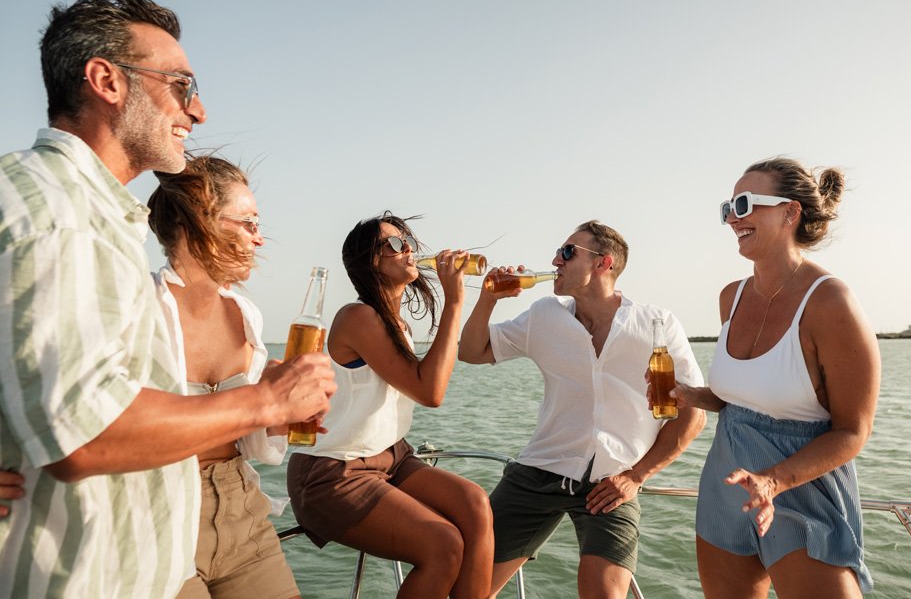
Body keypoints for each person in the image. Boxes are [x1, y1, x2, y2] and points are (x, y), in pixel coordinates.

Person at [0, 0, 335, 598]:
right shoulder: (60, 215)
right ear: (106, 81)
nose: (199, 111)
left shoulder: (92, 218)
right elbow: (84, 434)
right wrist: (266, 400)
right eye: (182, 85)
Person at [459, 220, 706, 599]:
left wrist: (637, 476)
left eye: (568, 252)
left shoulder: (657, 324)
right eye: (559, 251)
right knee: (467, 590)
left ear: (603, 263)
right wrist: (488, 299)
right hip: (539, 471)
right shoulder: (544, 315)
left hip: (613, 482)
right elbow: (471, 352)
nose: (555, 260)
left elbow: (694, 414)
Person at [672, 157, 880, 597]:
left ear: (790, 212)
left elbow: (853, 431)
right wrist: (696, 396)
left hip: (798, 490)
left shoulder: (830, 302)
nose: (734, 217)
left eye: (746, 204)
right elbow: (750, 398)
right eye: (728, 207)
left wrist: (774, 481)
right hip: (725, 484)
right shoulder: (732, 297)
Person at [287, 212, 494, 599]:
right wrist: (455, 300)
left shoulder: (400, 326)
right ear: (370, 261)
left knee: (475, 503)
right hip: (335, 472)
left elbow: (432, 382)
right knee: (444, 544)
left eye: (408, 242)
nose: (409, 250)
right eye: (395, 244)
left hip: (390, 458)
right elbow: (430, 392)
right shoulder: (357, 317)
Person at [147, 154, 302, 599]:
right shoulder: (141, 309)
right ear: (202, 223)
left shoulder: (244, 313)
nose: (259, 239)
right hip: (160, 524)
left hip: (242, 514)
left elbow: (256, 447)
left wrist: (283, 412)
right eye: (249, 223)